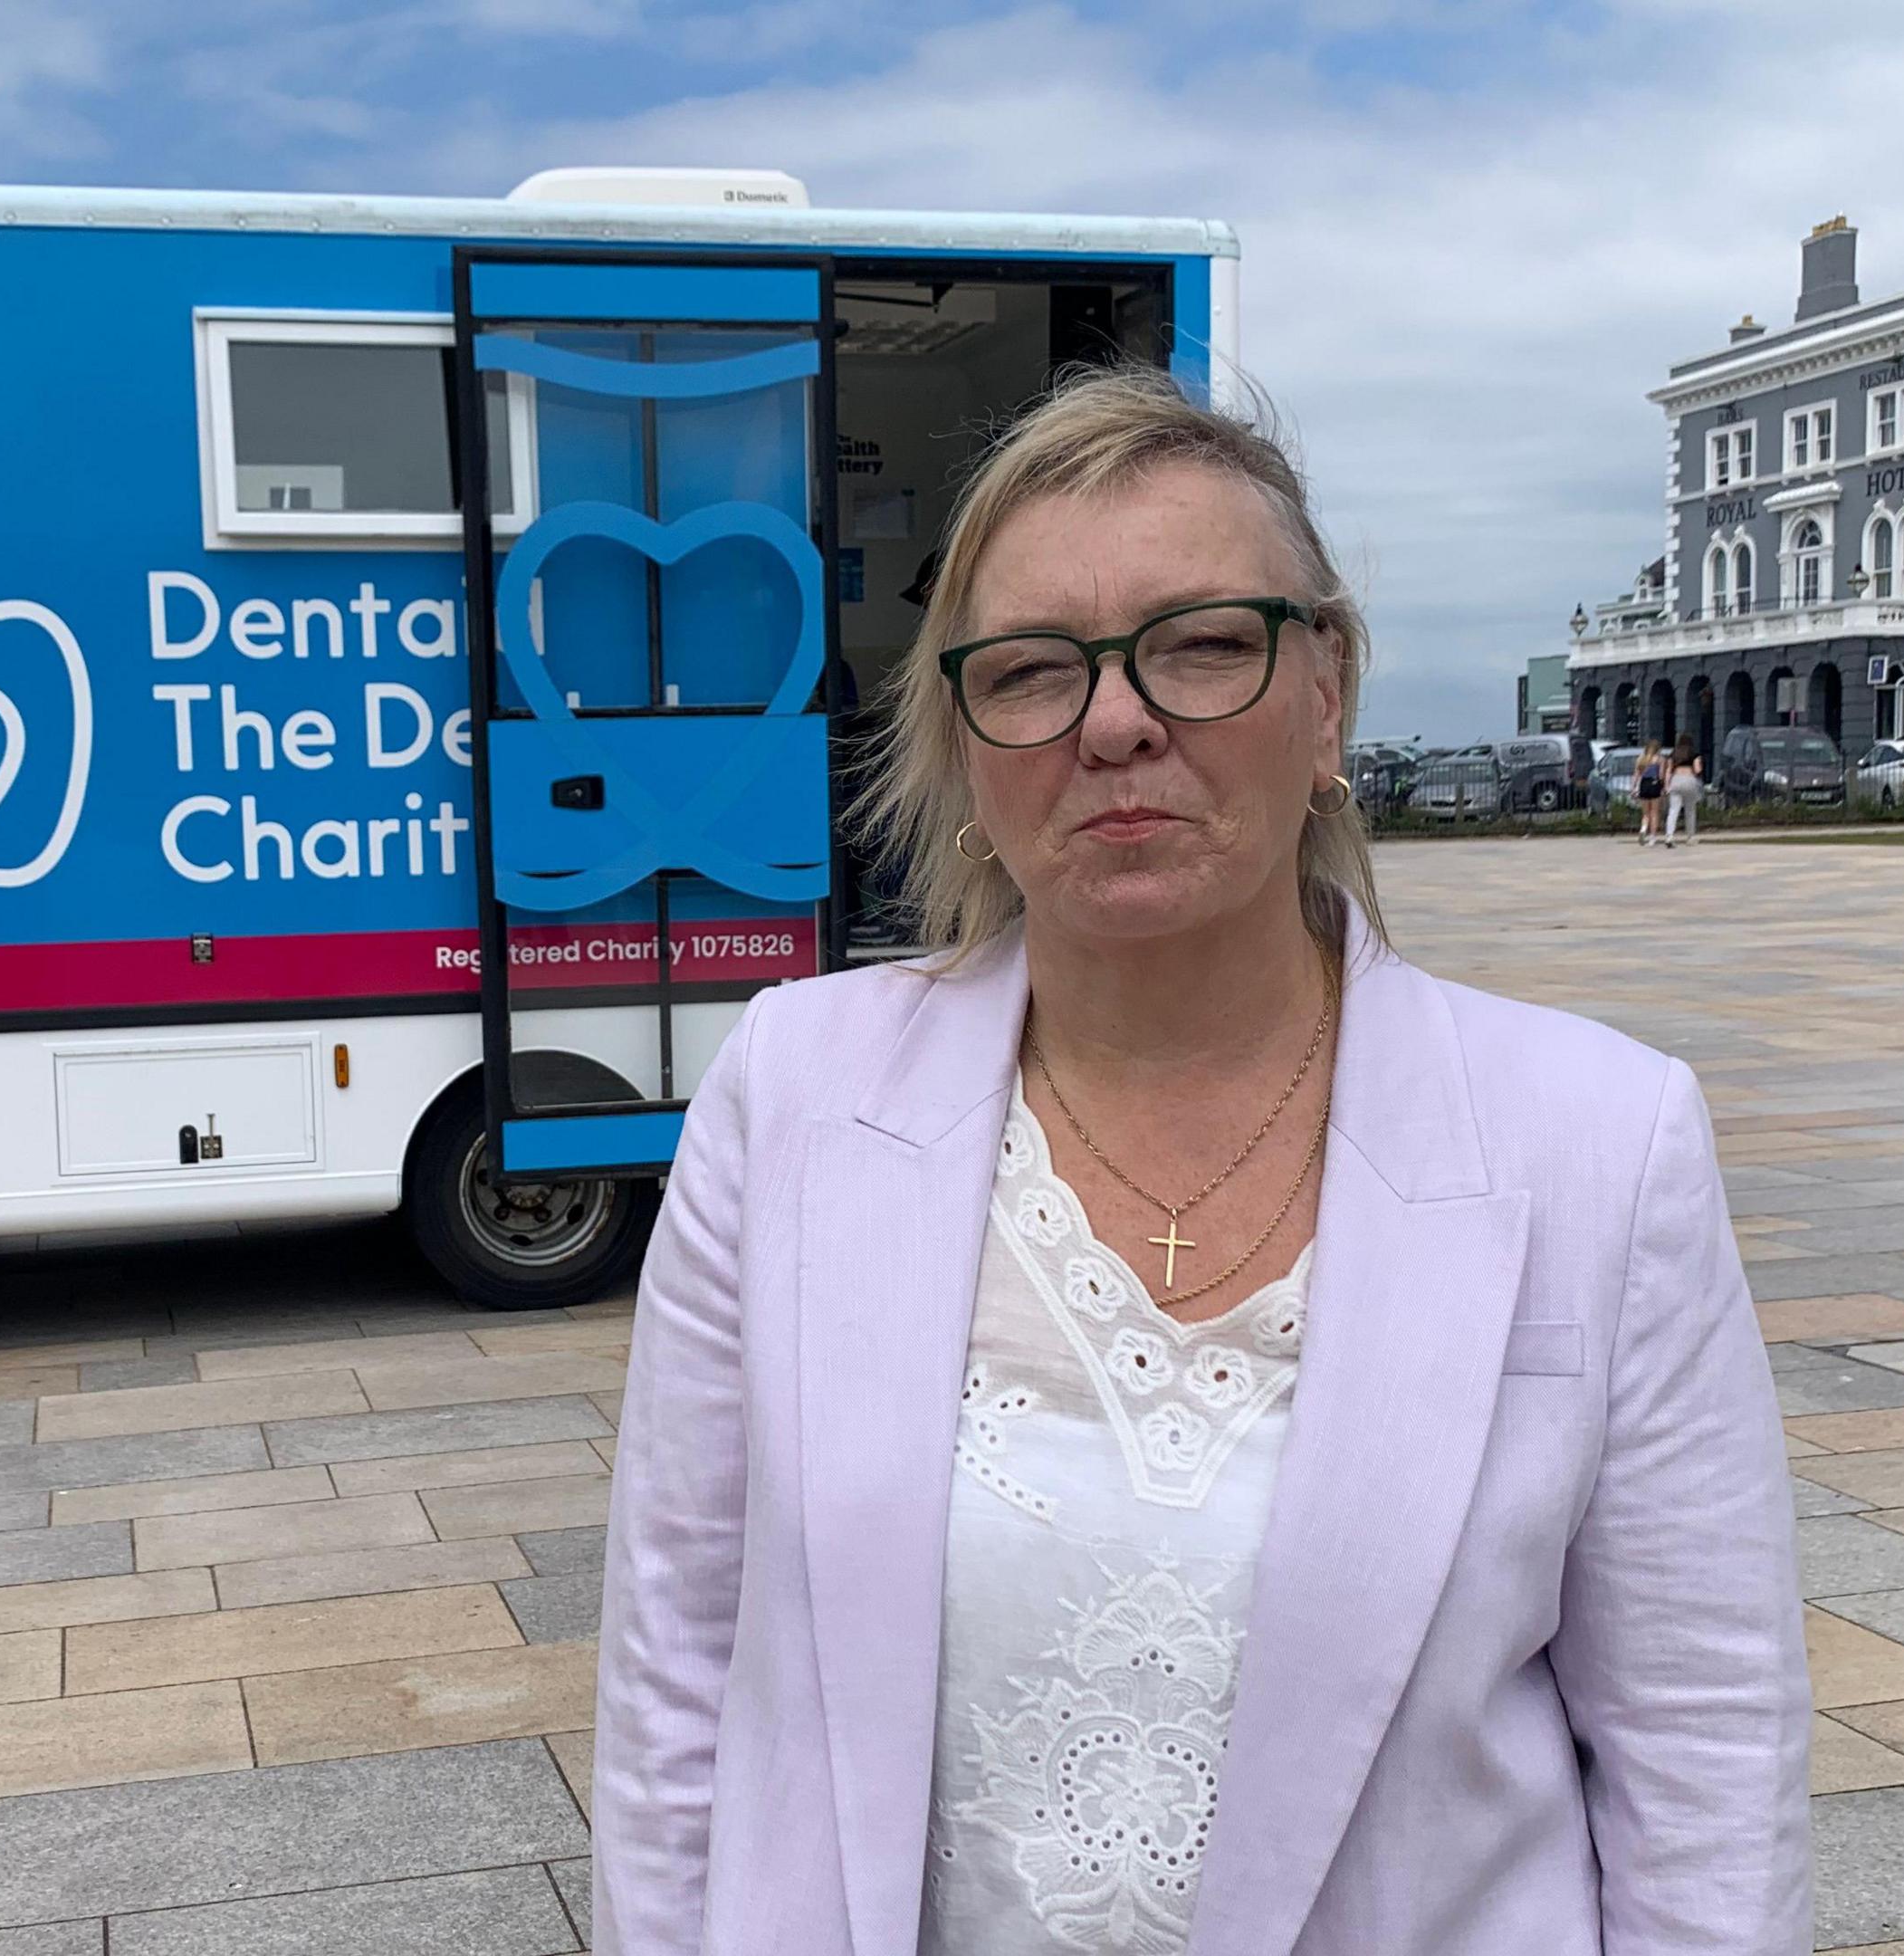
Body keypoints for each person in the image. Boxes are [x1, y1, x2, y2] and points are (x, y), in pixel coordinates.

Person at [594, 368, 1807, 1956]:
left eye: (1205, 645)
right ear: (965, 740)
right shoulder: (797, 1096)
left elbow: (1705, 1745)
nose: (1115, 720)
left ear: (1328, 695)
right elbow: (677, 1669)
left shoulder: (1594, 1139)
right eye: (1032, 670)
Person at [1661, 740, 1705, 846]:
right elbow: (1697, 770)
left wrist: (1667, 786)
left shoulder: (1673, 754)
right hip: (1689, 780)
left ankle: (1669, 836)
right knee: (1690, 810)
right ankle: (1690, 837)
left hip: (1676, 780)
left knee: (1673, 810)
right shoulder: (1694, 754)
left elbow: (1668, 771)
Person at [1634, 739, 1668, 844]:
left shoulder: (1641, 759)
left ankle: (1643, 829)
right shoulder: (1660, 759)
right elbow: (1661, 775)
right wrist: (1663, 786)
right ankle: (1652, 837)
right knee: (1654, 813)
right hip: (1654, 783)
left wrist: (1634, 787)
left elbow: (1636, 774)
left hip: (1644, 784)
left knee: (1645, 813)